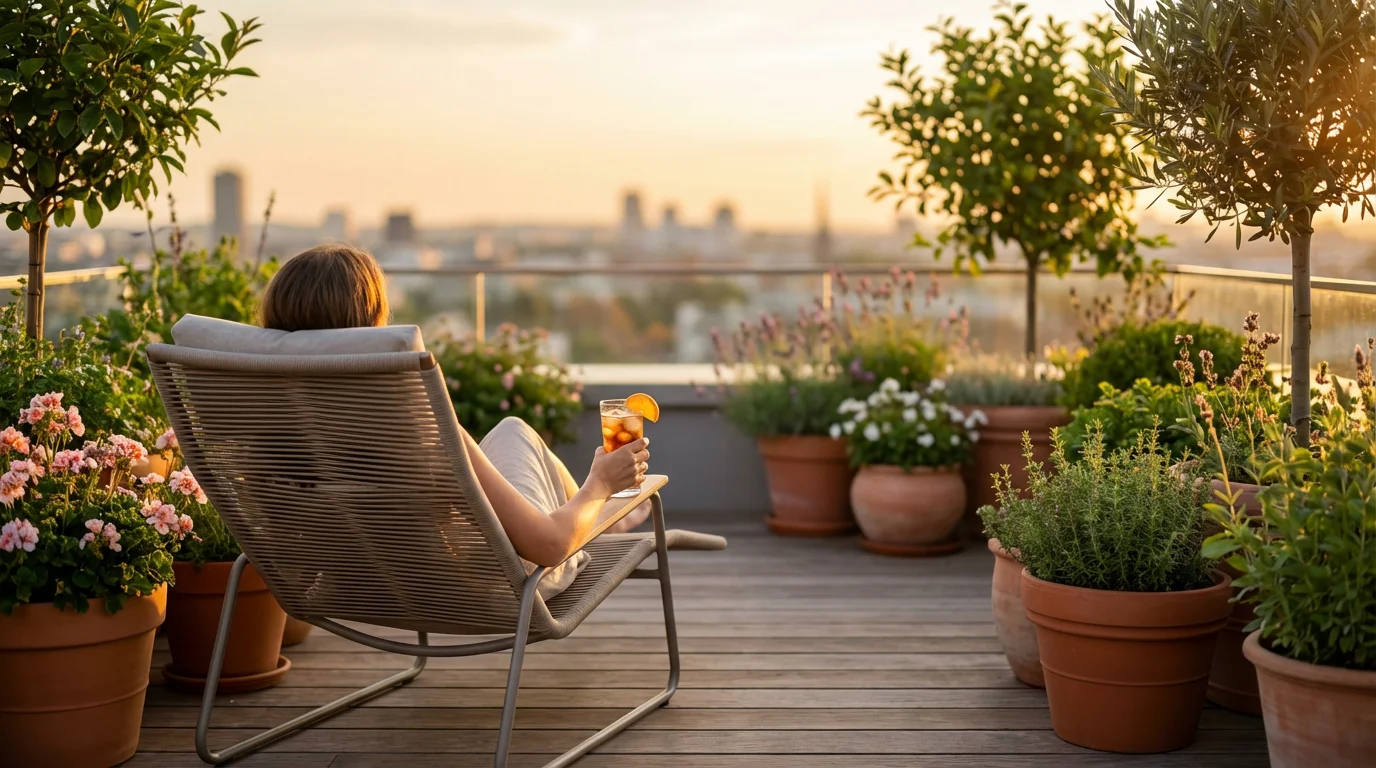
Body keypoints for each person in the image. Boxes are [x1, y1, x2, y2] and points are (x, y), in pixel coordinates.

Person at [259, 244, 652, 596]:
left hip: (367, 585)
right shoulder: (412, 419)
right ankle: (604, 515)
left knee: (509, 432)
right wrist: (599, 484)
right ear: (371, 324)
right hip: (493, 584)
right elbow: (547, 547)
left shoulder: (266, 426)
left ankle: (605, 519)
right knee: (518, 433)